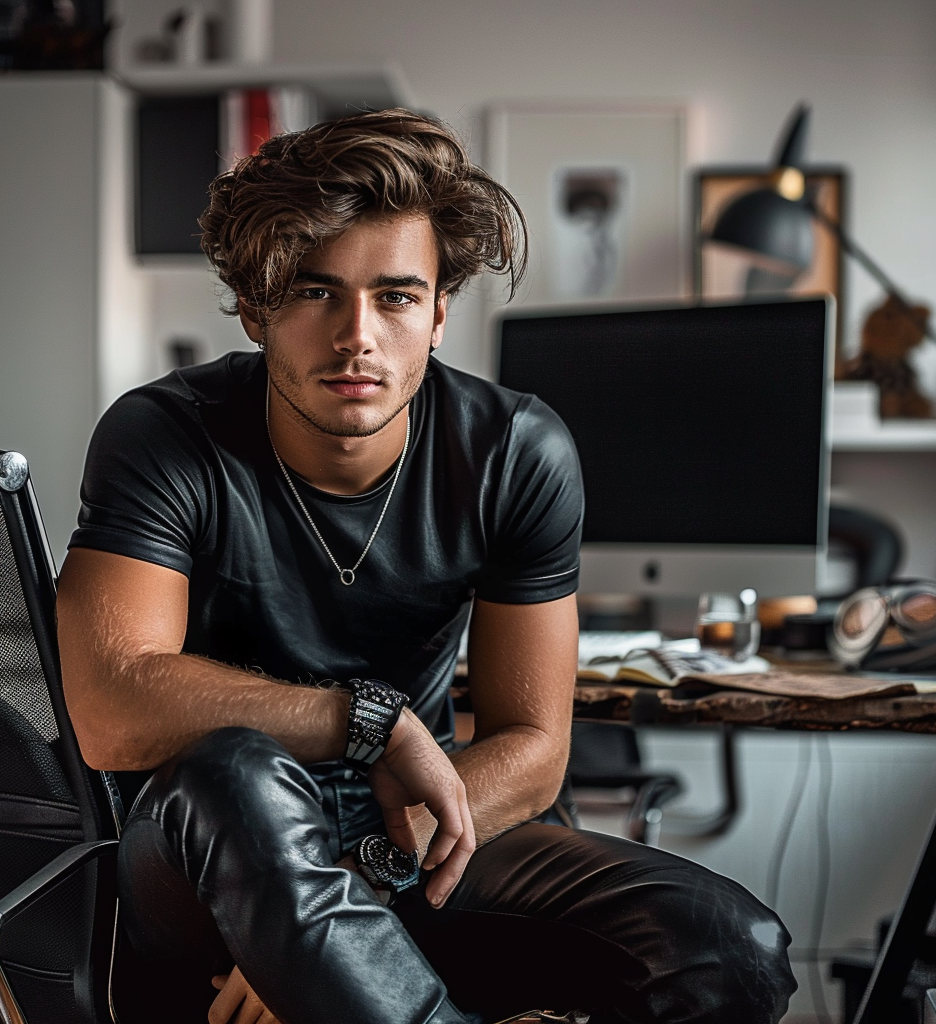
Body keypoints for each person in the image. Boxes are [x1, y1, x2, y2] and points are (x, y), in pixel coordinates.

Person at [56, 108, 796, 1024]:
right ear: (254, 308)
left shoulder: (517, 451)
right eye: (314, 292)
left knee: (730, 947)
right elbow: (111, 705)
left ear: (441, 311)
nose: (356, 334)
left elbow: (533, 750)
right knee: (232, 769)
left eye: (397, 296)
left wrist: (346, 895)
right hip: (203, 849)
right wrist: (371, 724)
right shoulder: (163, 435)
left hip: (413, 830)